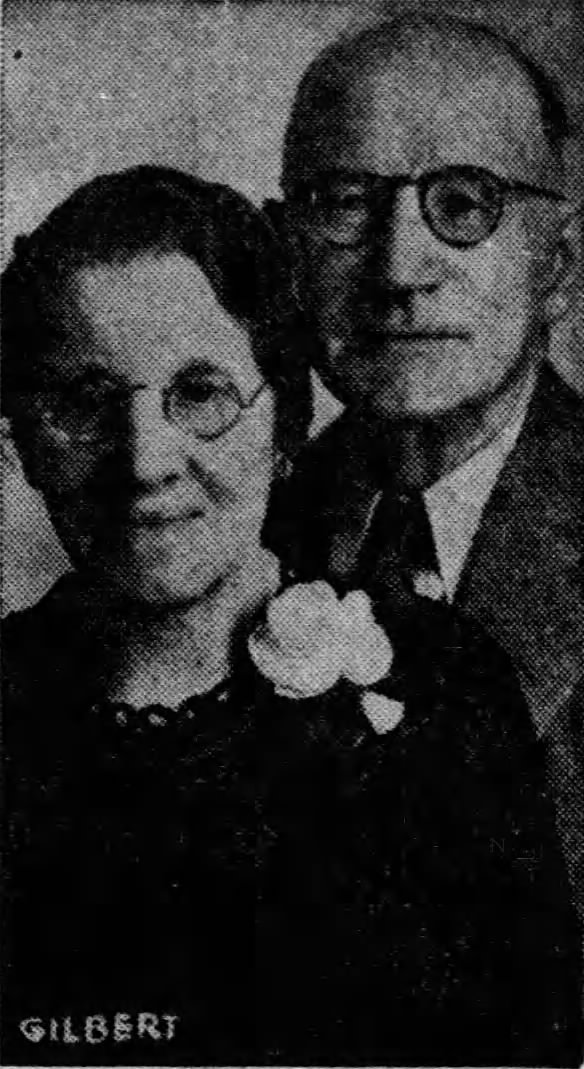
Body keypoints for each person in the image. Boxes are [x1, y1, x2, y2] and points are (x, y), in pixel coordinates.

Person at [1, 166, 582, 1067]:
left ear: (283, 424)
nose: (146, 461)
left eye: (201, 393)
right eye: (84, 400)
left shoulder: (442, 688)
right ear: (27, 441)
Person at [268, 12, 584, 924]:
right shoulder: (235, 527)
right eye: (344, 202)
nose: (400, 269)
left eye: (464, 204)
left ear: (558, 268)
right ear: (287, 251)